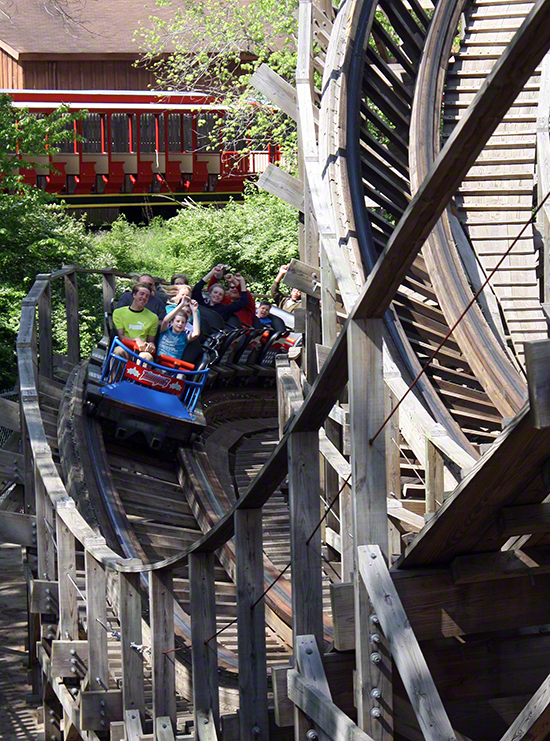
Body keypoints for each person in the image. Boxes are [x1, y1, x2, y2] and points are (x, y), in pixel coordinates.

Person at [112, 282, 158, 365]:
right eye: (142, 294)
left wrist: (151, 345)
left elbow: (151, 340)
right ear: (134, 295)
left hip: (141, 351)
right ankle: (116, 378)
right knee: (118, 351)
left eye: (147, 296)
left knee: (147, 357)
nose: (144, 297)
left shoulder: (153, 317)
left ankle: (138, 378)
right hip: (125, 346)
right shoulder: (119, 313)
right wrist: (136, 339)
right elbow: (121, 336)